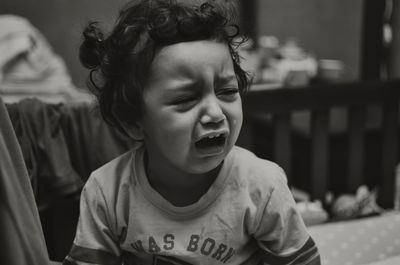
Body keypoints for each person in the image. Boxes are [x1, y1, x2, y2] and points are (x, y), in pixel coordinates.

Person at [64, 0, 321, 264]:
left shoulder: (262, 185)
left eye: (227, 92)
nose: (215, 113)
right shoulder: (107, 191)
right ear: (133, 121)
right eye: (186, 98)